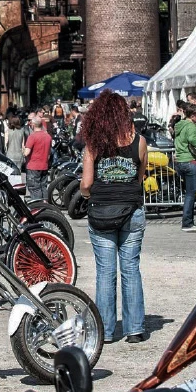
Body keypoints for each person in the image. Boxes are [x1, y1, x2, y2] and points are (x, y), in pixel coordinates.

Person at [78, 91, 148, 344]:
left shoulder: (94, 144)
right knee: (131, 269)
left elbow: (86, 183)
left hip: (101, 210)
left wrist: (87, 194)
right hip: (131, 209)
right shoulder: (139, 141)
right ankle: (135, 329)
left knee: (105, 272)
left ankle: (106, 331)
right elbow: (139, 178)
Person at [174, 103, 196, 232]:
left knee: (188, 193)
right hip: (190, 161)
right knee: (191, 194)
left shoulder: (179, 125)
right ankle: (187, 223)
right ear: (192, 116)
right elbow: (193, 140)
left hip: (180, 161)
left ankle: (188, 221)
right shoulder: (191, 126)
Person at [23, 117, 52, 200]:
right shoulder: (48, 136)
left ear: (33, 125)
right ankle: (45, 205)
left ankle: (37, 206)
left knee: (35, 188)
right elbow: (49, 154)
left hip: (33, 165)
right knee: (43, 187)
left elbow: (26, 153)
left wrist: (23, 149)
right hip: (44, 165)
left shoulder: (32, 136)